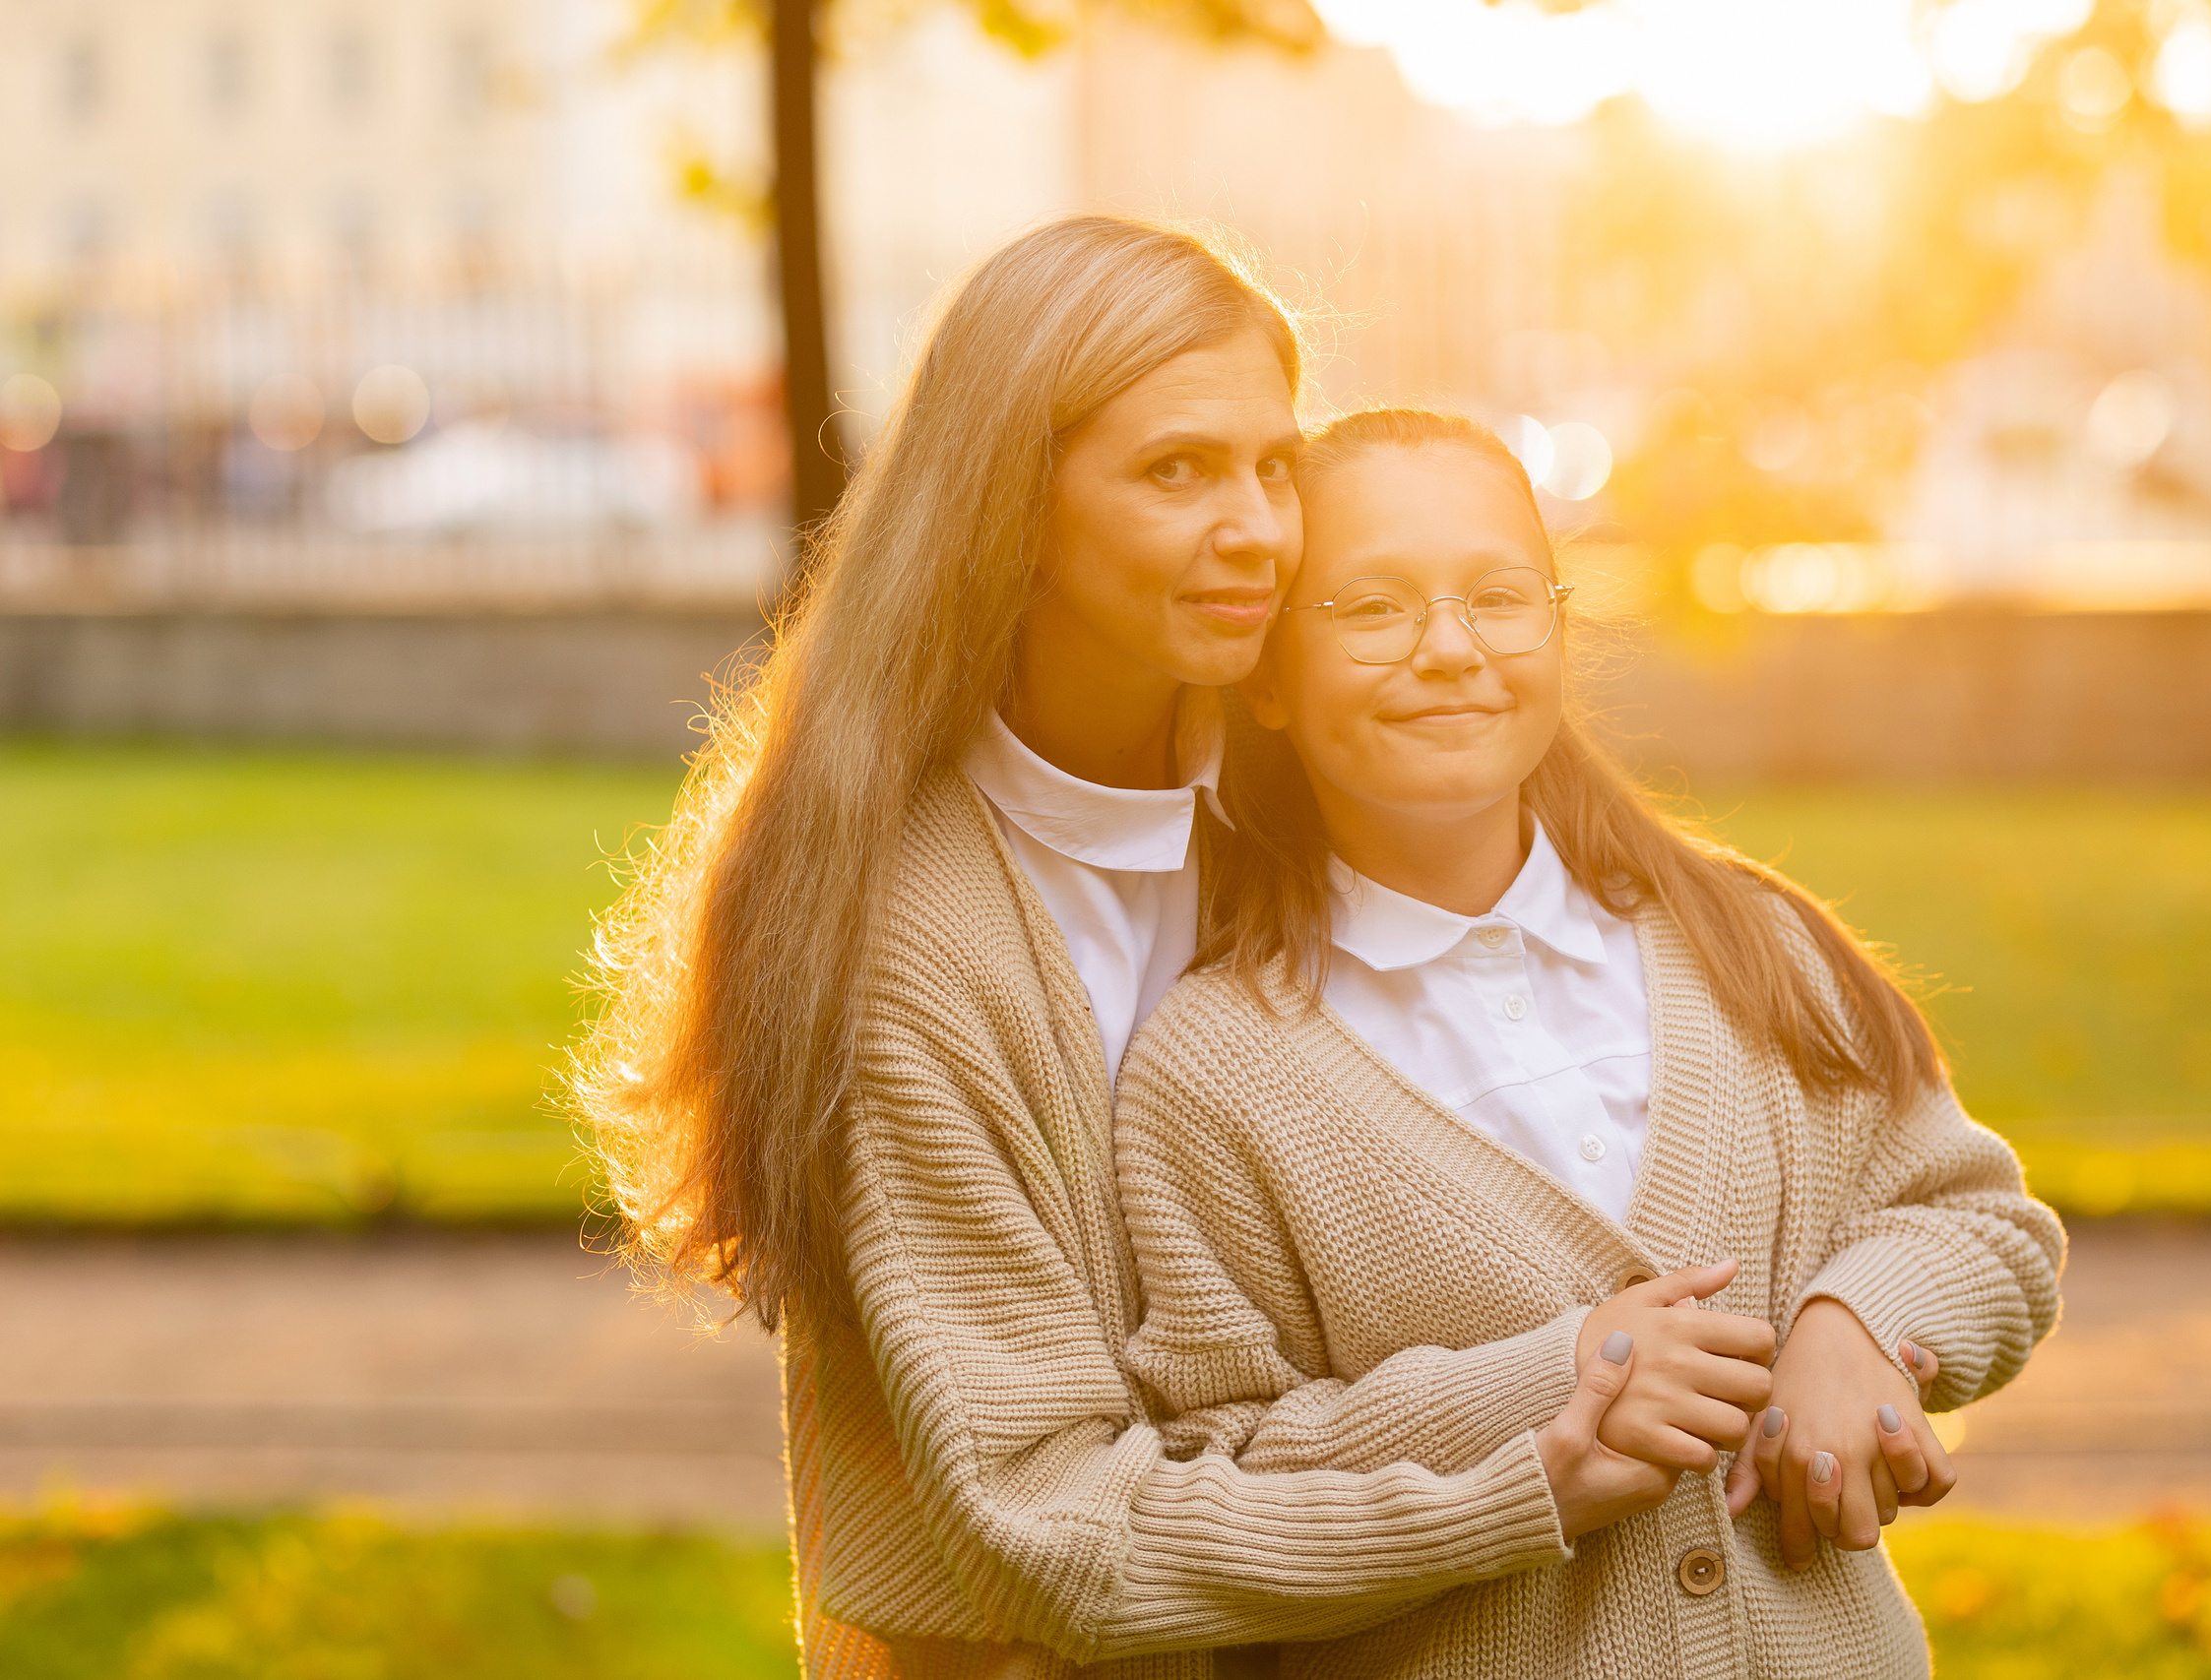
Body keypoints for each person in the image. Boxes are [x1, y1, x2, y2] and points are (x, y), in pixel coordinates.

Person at [576, 218, 1788, 1680]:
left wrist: (1857, 1321)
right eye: (1176, 472)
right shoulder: (904, 950)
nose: (1263, 530)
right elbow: (1055, 1522)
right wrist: (1537, 1448)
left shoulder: (1315, 772)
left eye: (1275, 464)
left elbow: (1701, 1065)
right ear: (1013, 505)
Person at [1111, 407, 2066, 1678]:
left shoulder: (1744, 940)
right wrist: (1556, 1382)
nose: (1449, 649)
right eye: (1373, 608)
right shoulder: (1212, 1076)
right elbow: (1219, 1470)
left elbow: (1976, 1222)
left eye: (1499, 597)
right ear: (1270, 675)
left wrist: (1862, 1324)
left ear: (1557, 629)